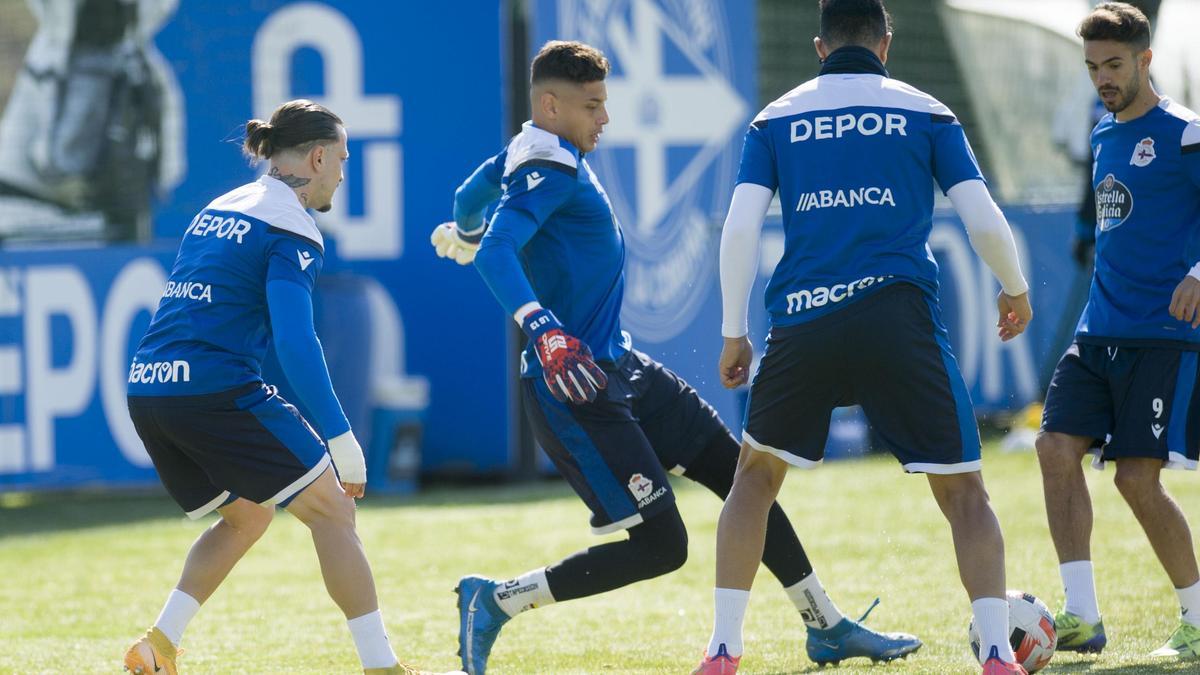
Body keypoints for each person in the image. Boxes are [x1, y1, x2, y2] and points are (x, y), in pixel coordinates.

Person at [431, 40, 922, 675]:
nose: (604, 118)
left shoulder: (531, 147)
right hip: (576, 387)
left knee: (744, 477)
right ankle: (495, 601)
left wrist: (465, 231)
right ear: (551, 106)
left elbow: (471, 199)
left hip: (623, 369)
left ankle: (825, 625)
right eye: (592, 105)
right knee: (663, 546)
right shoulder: (548, 164)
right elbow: (499, 253)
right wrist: (543, 326)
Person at [692, 0, 1034, 673]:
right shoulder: (926, 109)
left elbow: (738, 229)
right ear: (886, 43)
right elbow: (983, 216)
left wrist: (734, 332)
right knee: (965, 492)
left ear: (822, 48)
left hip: (804, 316)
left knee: (754, 479)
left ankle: (723, 649)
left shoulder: (775, 117)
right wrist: (1015, 287)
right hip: (897, 316)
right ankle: (997, 653)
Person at [122, 100, 452, 675]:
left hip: (149, 388)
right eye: (343, 159)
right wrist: (341, 435)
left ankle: (159, 644)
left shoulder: (218, 207)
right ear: (318, 156)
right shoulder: (292, 224)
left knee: (247, 516)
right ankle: (382, 668)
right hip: (215, 388)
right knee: (333, 513)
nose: (343, 174)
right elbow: (295, 343)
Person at [1036, 2, 1200, 660]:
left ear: (1145, 59)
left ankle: (1195, 614)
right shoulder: (1103, 136)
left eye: (1114, 65)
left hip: (1160, 334)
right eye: (1093, 67)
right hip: (1096, 330)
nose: (1102, 78)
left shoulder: (1186, 133)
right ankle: (1081, 615)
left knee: (1136, 479)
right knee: (1053, 448)